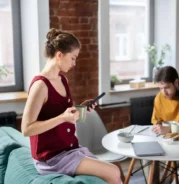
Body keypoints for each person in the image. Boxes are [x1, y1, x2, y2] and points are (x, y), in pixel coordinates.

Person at [21, 28, 121, 184]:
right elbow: (26, 129)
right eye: (73, 58)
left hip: (69, 150)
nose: (74, 64)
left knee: (113, 170)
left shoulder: (62, 80)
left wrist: (81, 109)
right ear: (60, 55)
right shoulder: (40, 85)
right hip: (52, 157)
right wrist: (62, 118)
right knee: (113, 172)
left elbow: (67, 116)